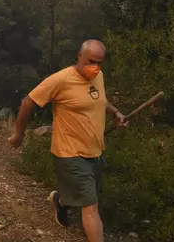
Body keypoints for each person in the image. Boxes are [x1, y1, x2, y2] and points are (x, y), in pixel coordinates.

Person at [9, 39, 128, 242]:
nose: (96, 67)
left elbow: (99, 98)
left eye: (100, 63)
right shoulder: (60, 80)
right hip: (70, 153)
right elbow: (28, 102)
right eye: (91, 61)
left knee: (83, 196)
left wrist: (115, 112)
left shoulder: (98, 76)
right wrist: (19, 134)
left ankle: (60, 201)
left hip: (95, 151)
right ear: (79, 57)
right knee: (90, 206)